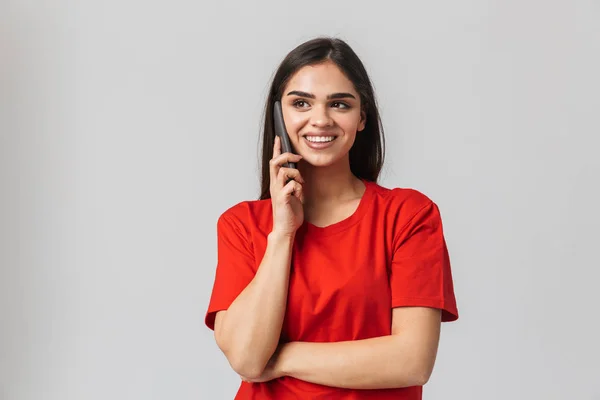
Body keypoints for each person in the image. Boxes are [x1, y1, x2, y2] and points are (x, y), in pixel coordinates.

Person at [204, 36, 459, 400]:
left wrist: (283, 356)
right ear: (280, 116)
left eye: (339, 103)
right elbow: (247, 358)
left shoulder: (408, 216)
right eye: (301, 103)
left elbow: (412, 361)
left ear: (362, 117)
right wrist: (282, 235)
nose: (320, 119)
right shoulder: (242, 225)